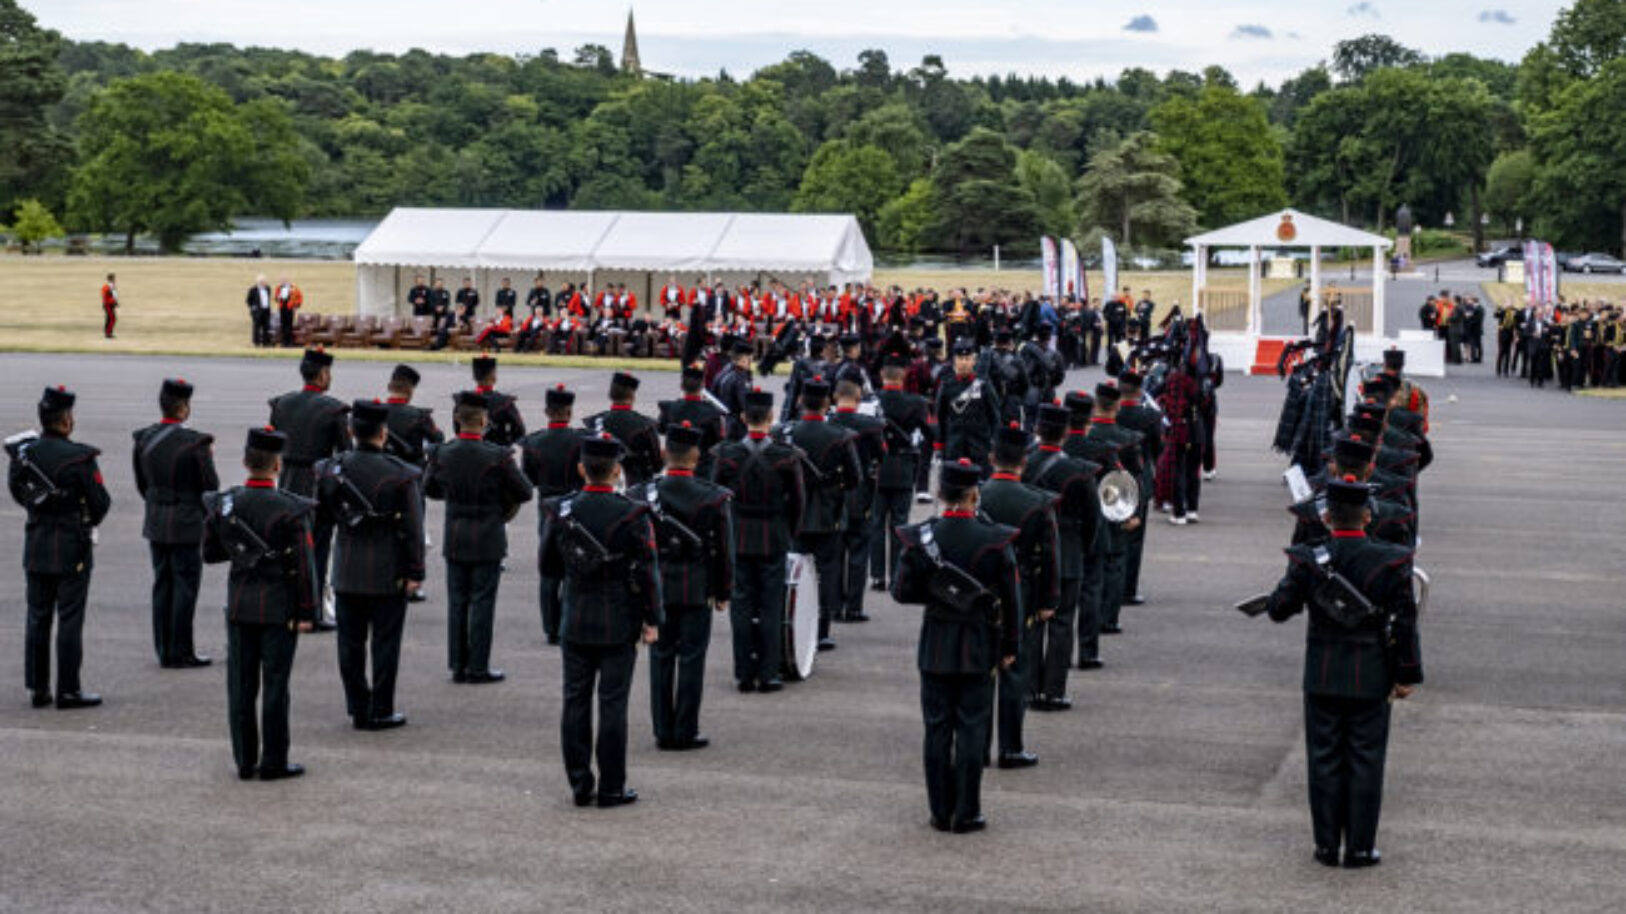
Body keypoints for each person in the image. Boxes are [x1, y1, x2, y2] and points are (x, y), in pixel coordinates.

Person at [1262, 475, 1423, 868]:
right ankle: (1360, 847)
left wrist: (1288, 590)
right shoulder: (1392, 559)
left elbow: (1279, 609)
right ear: (1367, 516)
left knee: (1324, 757)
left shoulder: (1308, 558)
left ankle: (1325, 845)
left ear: (1328, 517)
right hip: (1371, 672)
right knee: (1366, 759)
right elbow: (1405, 622)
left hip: (1323, 670)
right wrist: (1407, 674)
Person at [890, 459, 1021, 833]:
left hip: (935, 643)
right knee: (971, 729)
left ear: (943, 493)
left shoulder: (922, 537)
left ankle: (939, 810)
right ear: (974, 493)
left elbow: (901, 591)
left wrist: (936, 594)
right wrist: (1012, 644)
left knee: (936, 729)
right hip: (978, 644)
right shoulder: (995, 538)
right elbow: (1012, 597)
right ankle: (966, 812)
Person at [539, 434, 663, 808]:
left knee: (574, 701)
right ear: (617, 470)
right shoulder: (633, 513)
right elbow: (646, 572)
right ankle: (611, 786)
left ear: (581, 469)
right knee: (612, 704)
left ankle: (580, 783)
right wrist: (652, 617)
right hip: (617, 618)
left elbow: (548, 566)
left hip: (575, 615)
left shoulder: (561, 510)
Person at [202, 427, 318, 780]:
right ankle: (274, 761)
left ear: (245, 463)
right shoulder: (291, 509)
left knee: (240, 685)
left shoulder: (227, 503)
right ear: (277, 465)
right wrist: (306, 611)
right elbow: (304, 565)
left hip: (240, 605)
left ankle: (245, 760)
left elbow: (209, 553)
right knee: (275, 686)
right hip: (279, 606)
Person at [315, 400, 425, 732]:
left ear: (350, 432)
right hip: (388, 567)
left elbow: (321, 520)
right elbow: (413, 529)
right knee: (385, 643)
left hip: (347, 565)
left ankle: (358, 707)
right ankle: (381, 707)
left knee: (349, 643)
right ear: (384, 433)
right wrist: (415, 571)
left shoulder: (329, 470)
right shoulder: (402, 474)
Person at [627, 423, 734, 751]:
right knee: (691, 659)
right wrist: (723, 591)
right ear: (696, 456)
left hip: (656, 587)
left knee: (660, 657)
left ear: (663, 454)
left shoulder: (640, 494)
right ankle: (685, 729)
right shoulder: (712, 497)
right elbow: (724, 552)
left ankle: (663, 728)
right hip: (695, 586)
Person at [8, 386, 112, 709]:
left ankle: (38, 688)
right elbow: (100, 504)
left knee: (38, 617)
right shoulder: (81, 458)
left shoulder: (24, 454)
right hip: (71, 546)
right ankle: (68, 689)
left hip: (37, 541)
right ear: (66, 420)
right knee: (69, 618)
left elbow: (18, 491)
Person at [423, 392, 532, 685]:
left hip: (456, 533)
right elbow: (525, 491)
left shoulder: (441, 453)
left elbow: (430, 489)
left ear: (458, 419)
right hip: (488, 534)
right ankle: (478, 665)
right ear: (484, 420)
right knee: (483, 602)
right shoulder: (497, 456)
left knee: (458, 601)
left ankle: (458, 664)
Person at [709, 389, 805, 692]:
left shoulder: (726, 454)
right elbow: (799, 503)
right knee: (770, 604)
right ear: (771, 417)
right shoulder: (786, 456)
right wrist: (788, 531)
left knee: (741, 604)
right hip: (773, 535)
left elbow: (715, 499)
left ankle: (744, 673)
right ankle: (768, 672)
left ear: (742, 418)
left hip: (738, 535)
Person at [977, 424, 1059, 770]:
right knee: (1015, 671)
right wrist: (1048, 601)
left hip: (979, 590)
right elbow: (1050, 556)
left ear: (991, 458)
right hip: (1021, 590)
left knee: (981, 672)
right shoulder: (1038, 502)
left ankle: (976, 747)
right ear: (1024, 462)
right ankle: (1010, 747)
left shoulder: (975, 494)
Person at [132, 378, 219, 669]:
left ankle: (164, 648)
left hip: (157, 520)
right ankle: (181, 650)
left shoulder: (144, 438)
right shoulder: (196, 443)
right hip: (186, 522)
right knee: (184, 586)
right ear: (184, 409)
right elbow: (210, 487)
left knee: (162, 584)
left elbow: (142, 484)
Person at [268, 347, 351, 631]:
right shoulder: (334, 409)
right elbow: (344, 454)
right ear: (323, 374)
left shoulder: (281, 404)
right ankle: (311, 610)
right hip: (317, 482)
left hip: (288, 479)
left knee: (288, 548)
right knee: (316, 550)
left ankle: (288, 606)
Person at [1023, 404, 1100, 706]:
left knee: (1031, 622)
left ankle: (1028, 687)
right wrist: (1083, 548)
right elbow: (1093, 520)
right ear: (1067, 432)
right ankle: (1054, 690)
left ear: (1038, 430)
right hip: (1067, 551)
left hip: (1031, 552)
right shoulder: (1080, 471)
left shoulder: (1024, 464)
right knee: (1062, 622)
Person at [784, 377, 861, 650]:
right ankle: (821, 630)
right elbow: (855, 478)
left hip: (795, 511)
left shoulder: (786, 433)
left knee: (794, 571)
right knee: (827, 572)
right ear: (827, 402)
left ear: (802, 401)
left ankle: (791, 624)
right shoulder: (839, 435)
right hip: (829, 511)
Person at [519, 384, 587, 644]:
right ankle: (567, 622)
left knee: (549, 569)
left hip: (547, 506)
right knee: (572, 567)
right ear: (569, 412)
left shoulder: (533, 442)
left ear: (547, 411)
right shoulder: (582, 440)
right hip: (574, 505)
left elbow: (529, 480)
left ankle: (551, 627)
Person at [380, 364, 441, 603]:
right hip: (411, 482)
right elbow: (437, 440)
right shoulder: (419, 417)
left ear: (390, 387)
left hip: (381, 479)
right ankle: (412, 582)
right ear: (411, 391)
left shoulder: (376, 413)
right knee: (413, 533)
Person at [871, 356, 932, 590]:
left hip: (878, 467)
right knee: (899, 523)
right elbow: (929, 432)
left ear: (883, 376)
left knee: (876, 523)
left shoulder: (873, 400)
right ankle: (896, 572)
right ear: (903, 376)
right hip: (904, 465)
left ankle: (877, 576)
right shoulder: (915, 402)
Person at [830, 379, 885, 623]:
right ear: (858, 399)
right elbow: (881, 455)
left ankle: (832, 606)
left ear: (835, 397)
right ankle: (853, 606)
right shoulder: (870, 426)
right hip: (861, 491)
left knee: (834, 553)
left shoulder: (828, 424)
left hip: (833, 494)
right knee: (859, 551)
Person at [1115, 371, 1161, 604]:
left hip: (1111, 477)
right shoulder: (1151, 416)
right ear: (1140, 390)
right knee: (1134, 539)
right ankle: (1127, 589)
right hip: (1138, 478)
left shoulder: (1110, 414)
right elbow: (1158, 449)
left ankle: (1109, 582)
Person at [934, 339, 1002, 476]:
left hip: (980, 446)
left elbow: (994, 416)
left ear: (974, 360)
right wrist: (939, 445)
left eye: (967, 358)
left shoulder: (983, 384)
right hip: (954, 446)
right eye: (960, 358)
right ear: (954, 360)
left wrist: (995, 444)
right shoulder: (947, 384)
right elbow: (940, 416)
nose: (964, 363)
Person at [583, 372, 663, 486]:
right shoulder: (645, 425)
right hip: (635, 488)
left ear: (611, 394)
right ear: (632, 396)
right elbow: (657, 465)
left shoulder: (594, 422)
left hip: (599, 484)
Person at [657, 364, 728, 478]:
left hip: (674, 465)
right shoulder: (713, 412)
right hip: (703, 469)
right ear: (702, 386)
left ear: (681, 386)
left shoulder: (669, 408)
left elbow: (661, 429)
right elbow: (720, 440)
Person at [470, 353, 526, 447]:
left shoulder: (464, 400)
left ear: (474, 377)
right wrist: (505, 442)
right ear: (494, 377)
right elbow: (519, 431)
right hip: (497, 453)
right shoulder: (505, 403)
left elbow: (458, 430)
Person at [274, 278, 303, 348]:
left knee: (289, 326)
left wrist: (296, 305)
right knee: (283, 325)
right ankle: (284, 342)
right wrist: (277, 297)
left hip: (290, 308)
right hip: (282, 308)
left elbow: (300, 297)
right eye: (282, 281)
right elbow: (276, 298)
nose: (283, 282)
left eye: (285, 281)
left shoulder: (294, 288)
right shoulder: (278, 288)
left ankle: (290, 342)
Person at [246, 275, 273, 347]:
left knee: (266, 327)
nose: (264, 283)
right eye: (262, 281)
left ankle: (266, 343)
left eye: (264, 281)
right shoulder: (253, 290)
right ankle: (256, 342)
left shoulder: (268, 288)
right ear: (258, 282)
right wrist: (253, 308)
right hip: (257, 312)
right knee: (256, 327)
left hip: (266, 311)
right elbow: (248, 300)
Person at [100, 274, 118, 339]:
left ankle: (108, 333)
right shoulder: (107, 286)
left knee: (109, 319)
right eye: (113, 278)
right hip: (108, 305)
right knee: (112, 319)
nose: (114, 280)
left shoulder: (112, 286)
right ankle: (108, 333)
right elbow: (104, 295)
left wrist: (115, 302)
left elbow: (114, 295)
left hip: (111, 304)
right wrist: (106, 303)